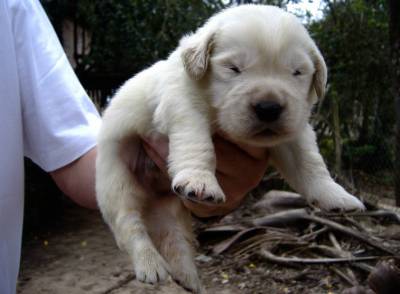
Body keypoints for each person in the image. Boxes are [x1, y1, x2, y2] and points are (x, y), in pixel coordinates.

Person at [0, 0, 269, 293]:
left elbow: (77, 153)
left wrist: (169, 167)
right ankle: (148, 251)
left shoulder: (14, 8)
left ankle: (177, 259)